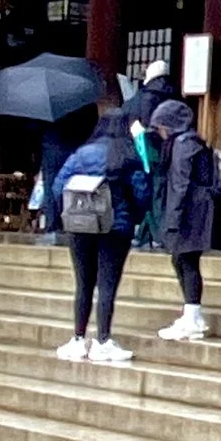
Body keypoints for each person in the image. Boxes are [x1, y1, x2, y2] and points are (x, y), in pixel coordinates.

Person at [53, 117, 151, 364]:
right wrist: (132, 216)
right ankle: (103, 340)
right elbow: (142, 193)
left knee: (83, 284)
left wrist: (67, 214)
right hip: (115, 228)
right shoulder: (127, 155)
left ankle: (77, 339)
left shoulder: (81, 154)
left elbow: (58, 185)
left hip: (79, 226)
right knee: (107, 286)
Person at [150, 97, 221, 341]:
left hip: (191, 210)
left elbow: (180, 185)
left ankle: (192, 315)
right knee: (183, 260)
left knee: (185, 260)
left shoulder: (182, 145)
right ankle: (192, 313)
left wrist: (172, 219)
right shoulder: (193, 142)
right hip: (200, 208)